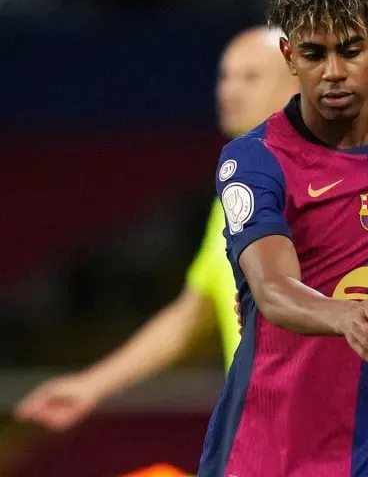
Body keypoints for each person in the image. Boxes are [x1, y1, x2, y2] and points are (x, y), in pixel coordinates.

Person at [197, 0, 368, 477]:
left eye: (349, 50)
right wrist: (342, 314)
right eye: (313, 53)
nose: (333, 72)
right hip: (269, 450)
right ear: (289, 56)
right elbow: (274, 287)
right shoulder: (254, 161)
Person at [13, 26, 297, 433]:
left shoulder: (315, 189)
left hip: (310, 436)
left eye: (251, 77)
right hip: (259, 435)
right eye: (225, 77)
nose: (230, 91)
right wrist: (90, 386)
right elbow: (190, 316)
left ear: (297, 86)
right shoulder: (236, 196)